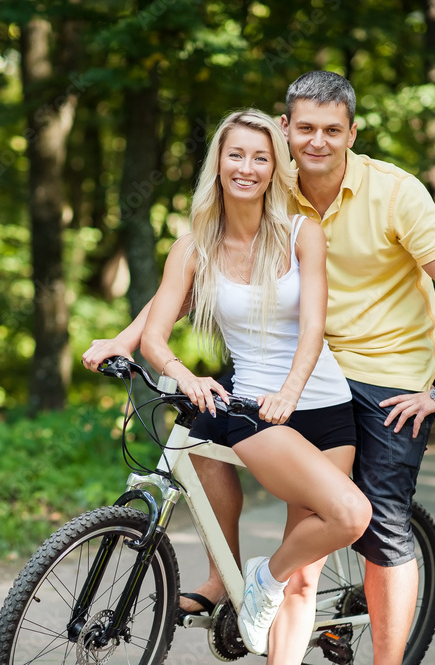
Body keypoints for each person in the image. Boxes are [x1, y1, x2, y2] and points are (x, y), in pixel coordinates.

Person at [83, 71, 435, 665]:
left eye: (333, 130)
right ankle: (225, 577)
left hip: (386, 373)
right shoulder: (271, 184)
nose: (318, 142)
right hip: (305, 366)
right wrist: (127, 337)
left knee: (382, 526)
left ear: (351, 132)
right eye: (307, 129)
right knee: (199, 434)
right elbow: (192, 280)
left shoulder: (393, 192)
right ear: (286, 129)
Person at [138, 107, 372, 658]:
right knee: (350, 513)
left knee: (305, 579)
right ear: (218, 162)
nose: (247, 167)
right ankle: (253, 578)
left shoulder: (301, 233)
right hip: (256, 411)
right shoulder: (193, 247)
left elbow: (314, 325)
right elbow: (153, 337)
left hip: (324, 407)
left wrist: (292, 391)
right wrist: (183, 374)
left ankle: (267, 578)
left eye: (260, 157)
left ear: (275, 168)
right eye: (236, 154)